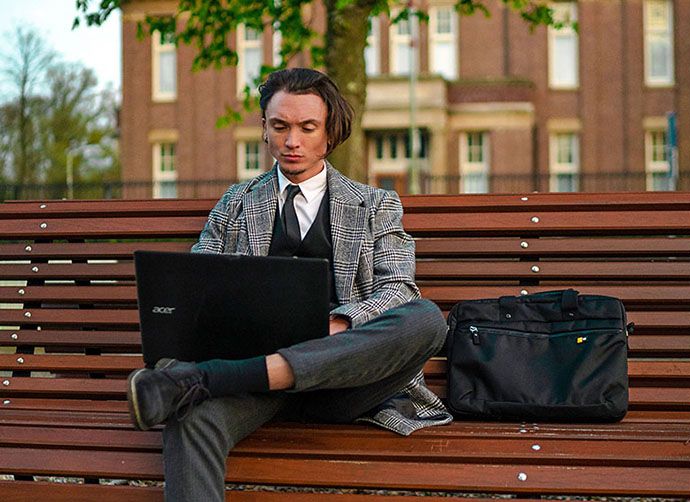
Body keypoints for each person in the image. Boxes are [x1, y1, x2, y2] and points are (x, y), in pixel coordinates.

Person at [126, 67, 453, 501]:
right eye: (279, 126)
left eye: (306, 127)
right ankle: (213, 379)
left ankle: (208, 377)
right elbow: (196, 290)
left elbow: (398, 290)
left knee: (426, 319)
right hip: (252, 387)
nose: (292, 141)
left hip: (345, 385)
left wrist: (337, 326)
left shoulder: (376, 204)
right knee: (190, 414)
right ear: (264, 129)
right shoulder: (236, 204)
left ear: (330, 132)